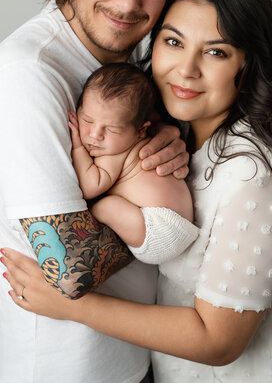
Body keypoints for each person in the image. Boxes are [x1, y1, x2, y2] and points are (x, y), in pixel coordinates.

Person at [3, 0, 272, 383]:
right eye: (173, 42)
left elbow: (218, 339)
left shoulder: (262, 171)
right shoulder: (176, 132)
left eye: (216, 52)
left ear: (250, 63)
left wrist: (73, 306)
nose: (185, 70)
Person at [0, 0, 214, 383]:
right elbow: (70, 267)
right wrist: (165, 218)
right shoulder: (27, 75)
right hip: (68, 379)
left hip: (141, 357)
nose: (128, 1)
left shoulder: (133, 75)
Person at [68, 62, 198, 263]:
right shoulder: (132, 141)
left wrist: (77, 147)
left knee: (103, 205)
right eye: (87, 120)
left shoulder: (115, 153)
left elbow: (89, 187)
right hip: (180, 225)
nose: (95, 135)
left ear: (140, 130)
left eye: (111, 129)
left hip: (157, 230)